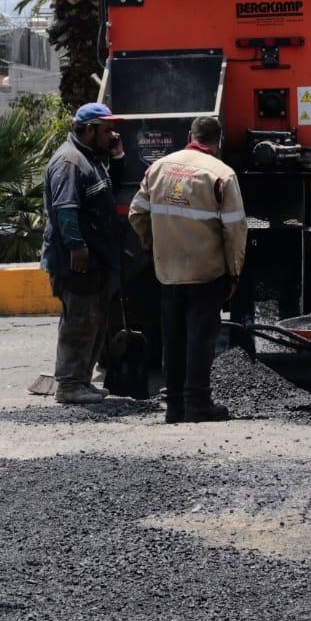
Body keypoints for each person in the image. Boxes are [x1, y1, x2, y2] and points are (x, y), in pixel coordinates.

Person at [129, 116, 248, 423]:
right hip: (206, 271)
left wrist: (153, 248)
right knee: (199, 336)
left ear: (189, 136)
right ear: (218, 142)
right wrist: (233, 271)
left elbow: (136, 213)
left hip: (168, 270)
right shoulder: (221, 174)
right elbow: (235, 229)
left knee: (173, 335)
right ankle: (197, 402)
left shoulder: (158, 168)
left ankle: (174, 406)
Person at [41, 102, 126, 404]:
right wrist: (77, 246)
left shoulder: (91, 158)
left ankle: (82, 381)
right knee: (79, 320)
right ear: (88, 130)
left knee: (94, 319)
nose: (112, 135)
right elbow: (65, 209)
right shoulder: (70, 162)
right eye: (107, 130)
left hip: (96, 259)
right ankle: (69, 384)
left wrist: (116, 154)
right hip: (76, 261)